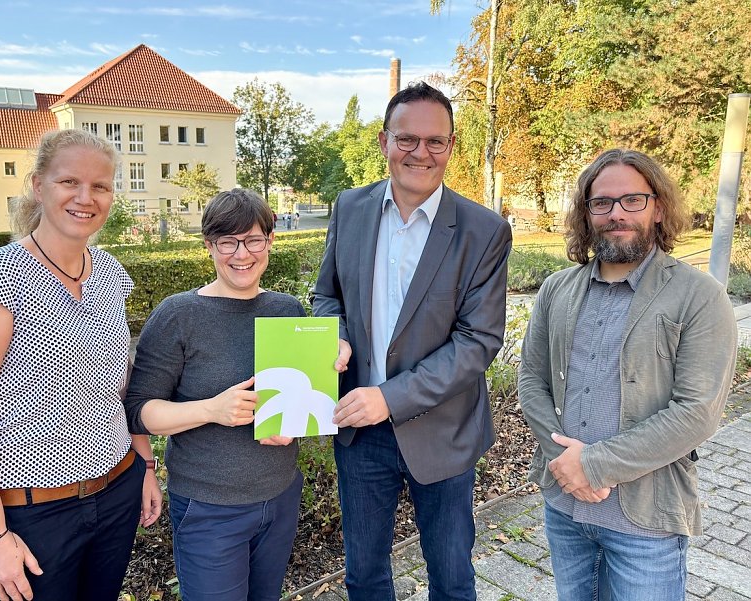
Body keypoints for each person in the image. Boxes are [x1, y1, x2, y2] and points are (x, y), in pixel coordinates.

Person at [0, 128, 162, 601]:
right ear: (39, 186)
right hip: (28, 515)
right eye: (69, 182)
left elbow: (120, 388)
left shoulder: (110, 275)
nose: (86, 197)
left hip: (116, 495)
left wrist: (144, 463)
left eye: (100, 186)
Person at [312, 81, 513, 600]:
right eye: (407, 139)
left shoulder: (484, 230)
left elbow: (478, 341)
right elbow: (326, 295)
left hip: (443, 432)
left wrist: (390, 397)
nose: (420, 152)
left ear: (450, 146)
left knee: (451, 578)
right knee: (364, 576)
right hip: (359, 431)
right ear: (384, 142)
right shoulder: (349, 207)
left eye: (435, 141)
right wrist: (334, 336)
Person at [518, 149, 737, 601]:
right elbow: (531, 381)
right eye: (602, 202)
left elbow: (697, 412)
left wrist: (593, 466)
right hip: (564, 509)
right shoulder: (557, 289)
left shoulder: (699, 296)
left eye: (632, 200)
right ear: (587, 213)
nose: (616, 213)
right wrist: (566, 466)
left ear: (658, 207)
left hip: (646, 522)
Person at [124, 189, 308, 601]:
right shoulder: (178, 315)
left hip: (280, 495)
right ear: (209, 245)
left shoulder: (287, 310)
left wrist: (297, 420)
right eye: (228, 242)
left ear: (270, 241)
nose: (242, 254)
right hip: (209, 508)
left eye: (253, 240)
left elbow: (297, 397)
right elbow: (139, 411)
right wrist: (212, 409)